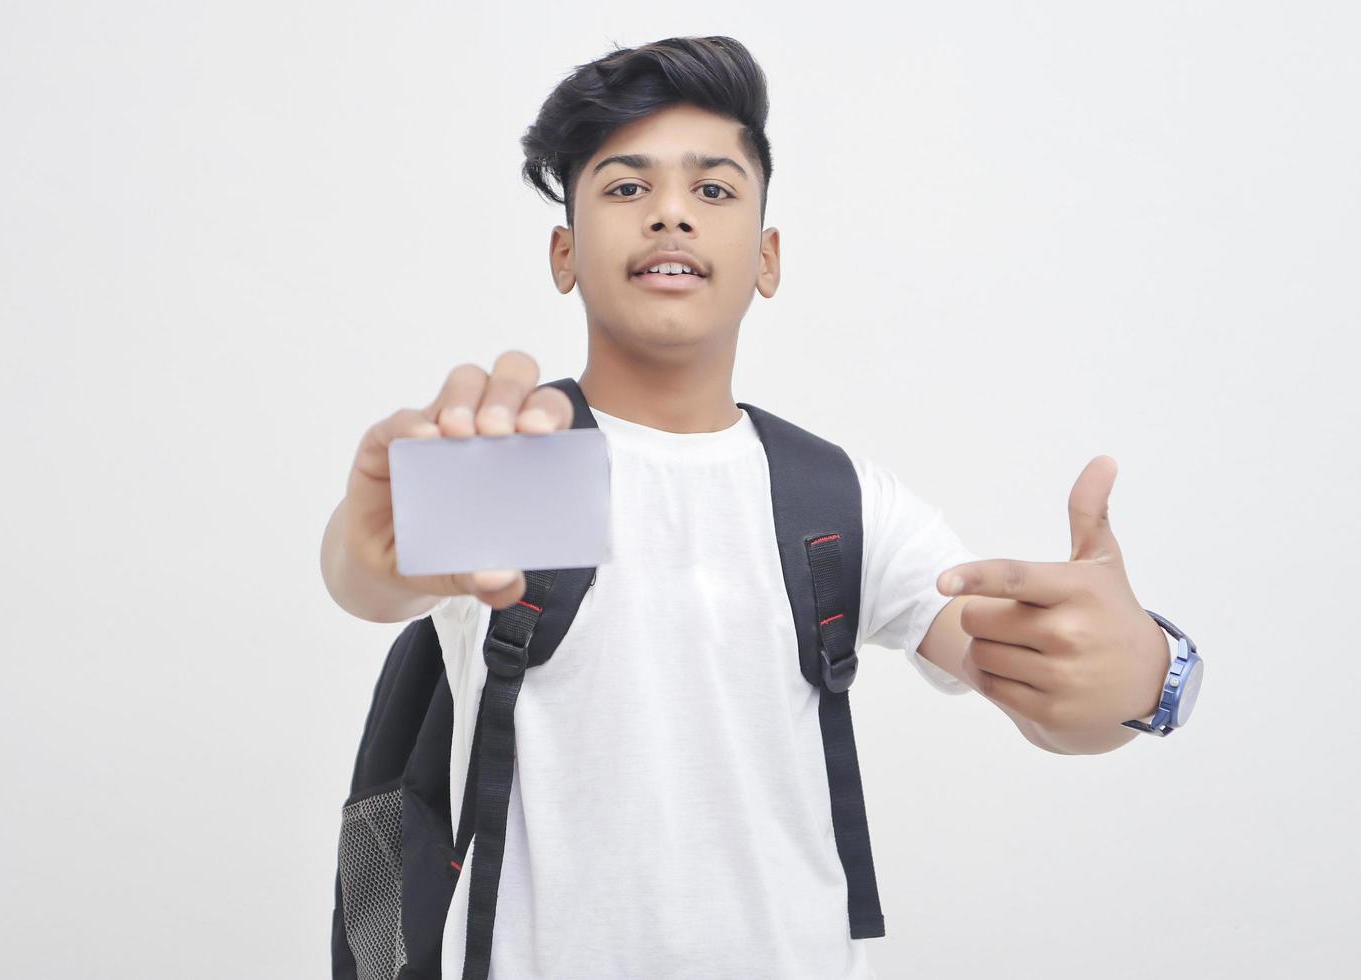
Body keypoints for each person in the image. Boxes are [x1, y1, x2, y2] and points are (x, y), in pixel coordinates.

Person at [320, 34, 1174, 980]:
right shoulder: (527, 455)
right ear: (565, 253)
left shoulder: (830, 495)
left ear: (767, 257)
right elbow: (376, 581)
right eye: (626, 187)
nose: (671, 215)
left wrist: (1145, 677)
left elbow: (1041, 686)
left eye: (714, 190)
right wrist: (375, 547)